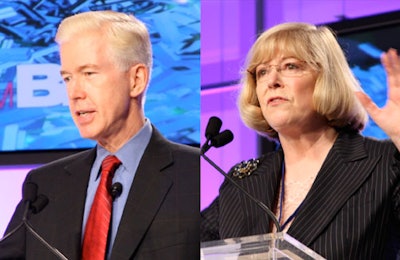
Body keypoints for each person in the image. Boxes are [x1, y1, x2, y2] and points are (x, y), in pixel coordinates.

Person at [0, 10, 199, 259]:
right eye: (68, 78)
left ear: (136, 80)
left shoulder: (196, 172)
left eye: (89, 74)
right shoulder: (43, 187)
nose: (74, 93)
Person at [201, 22, 400, 259]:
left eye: (290, 66)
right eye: (262, 71)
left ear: (327, 79)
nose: (271, 80)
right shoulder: (242, 181)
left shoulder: (385, 163)